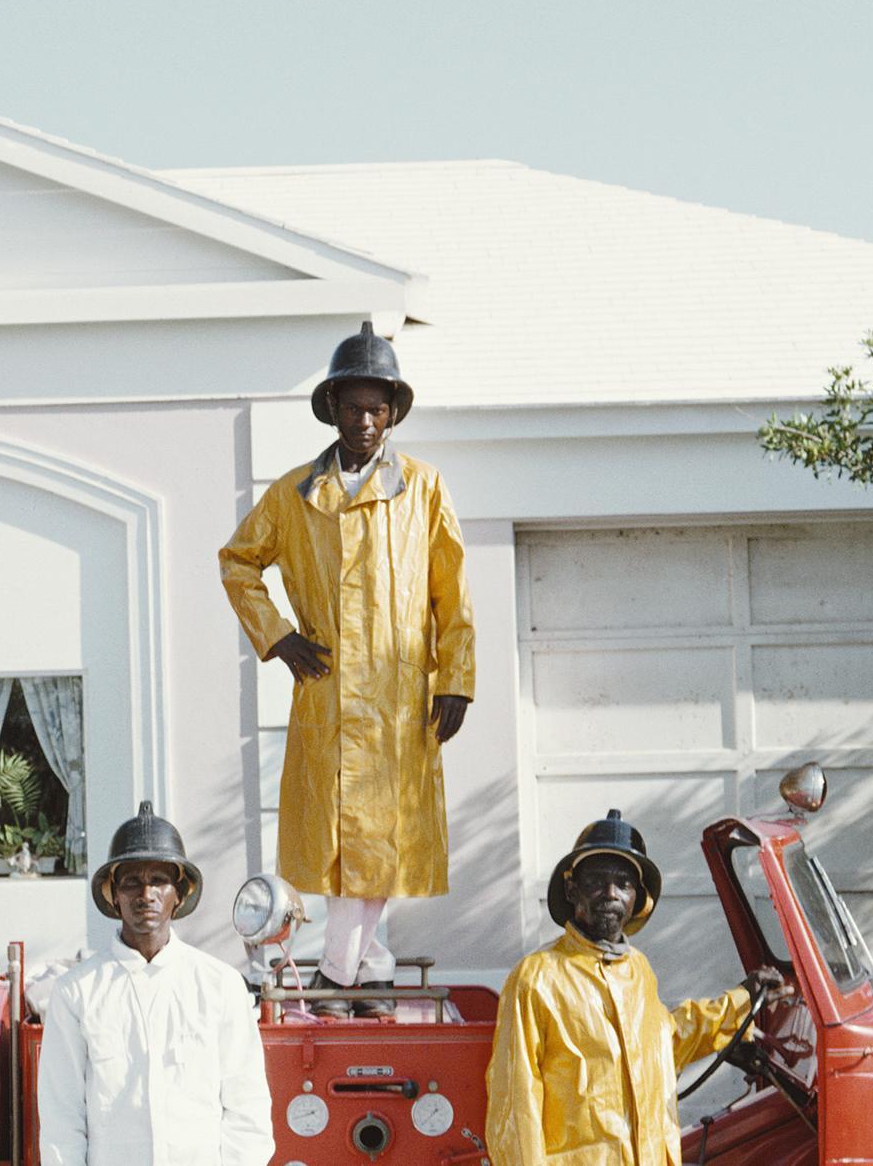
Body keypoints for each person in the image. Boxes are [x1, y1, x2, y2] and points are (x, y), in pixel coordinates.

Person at [219, 321, 475, 1016]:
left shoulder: (422, 490)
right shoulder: (295, 494)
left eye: (377, 408)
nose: (365, 421)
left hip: (398, 695)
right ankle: (363, 965)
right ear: (332, 407)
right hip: (328, 688)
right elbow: (237, 561)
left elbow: (450, 592)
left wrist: (455, 677)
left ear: (392, 413)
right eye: (353, 406)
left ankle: (346, 968)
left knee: (380, 837)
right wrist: (277, 639)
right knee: (339, 839)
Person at [485, 810, 782, 1166]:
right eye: (596, 880)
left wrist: (741, 1001)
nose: (610, 893)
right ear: (571, 889)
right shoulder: (536, 978)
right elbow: (516, 1101)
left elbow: (663, 1046)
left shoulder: (637, 969)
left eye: (624, 883)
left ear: (637, 898)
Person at [38, 801, 274, 1166]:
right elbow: (61, 1120)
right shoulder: (77, 992)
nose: (145, 893)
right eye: (131, 881)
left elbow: (248, 1108)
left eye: (159, 880)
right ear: (113, 895)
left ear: (178, 894)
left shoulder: (220, 986)